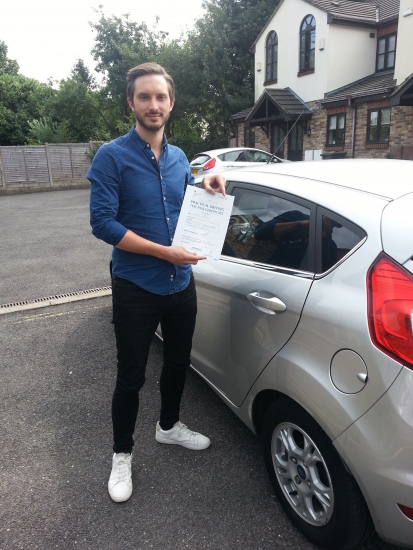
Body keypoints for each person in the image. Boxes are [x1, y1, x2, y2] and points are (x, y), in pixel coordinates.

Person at [88, 62, 226, 503]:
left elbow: (183, 198)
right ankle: (122, 455)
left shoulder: (180, 156)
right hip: (136, 286)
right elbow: (102, 223)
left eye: (160, 97)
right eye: (144, 97)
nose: (153, 104)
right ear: (131, 102)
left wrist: (205, 182)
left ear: (171, 103)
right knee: (130, 378)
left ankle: (168, 427)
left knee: (177, 362)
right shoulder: (112, 155)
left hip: (179, 284)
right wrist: (164, 252)